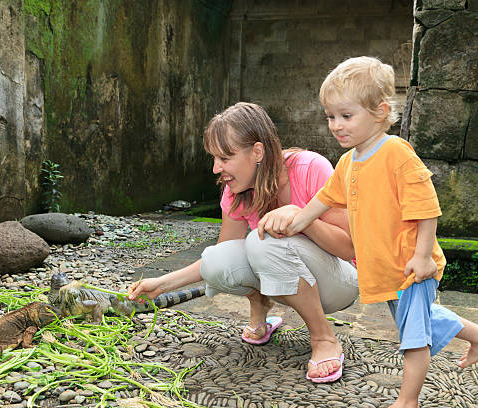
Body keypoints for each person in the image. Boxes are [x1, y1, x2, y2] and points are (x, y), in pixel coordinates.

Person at [260, 56, 478, 408]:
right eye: (330, 116)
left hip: (410, 267)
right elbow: (323, 200)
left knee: (413, 336)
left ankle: (408, 401)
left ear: (379, 111)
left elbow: (426, 207)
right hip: (386, 268)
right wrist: (295, 223)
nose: (336, 125)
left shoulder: (395, 153)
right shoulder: (348, 162)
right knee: (422, 318)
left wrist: (422, 257)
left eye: (346, 116)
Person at [128, 102, 359, 382]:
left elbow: (349, 248)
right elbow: (224, 255)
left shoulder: (310, 168)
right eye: (214, 158)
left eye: (225, 158)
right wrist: (161, 285)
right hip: (285, 275)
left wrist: (302, 219)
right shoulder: (236, 191)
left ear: (257, 152)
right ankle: (259, 305)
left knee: (262, 242)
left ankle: (324, 339)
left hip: (338, 282)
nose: (216, 168)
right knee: (218, 259)